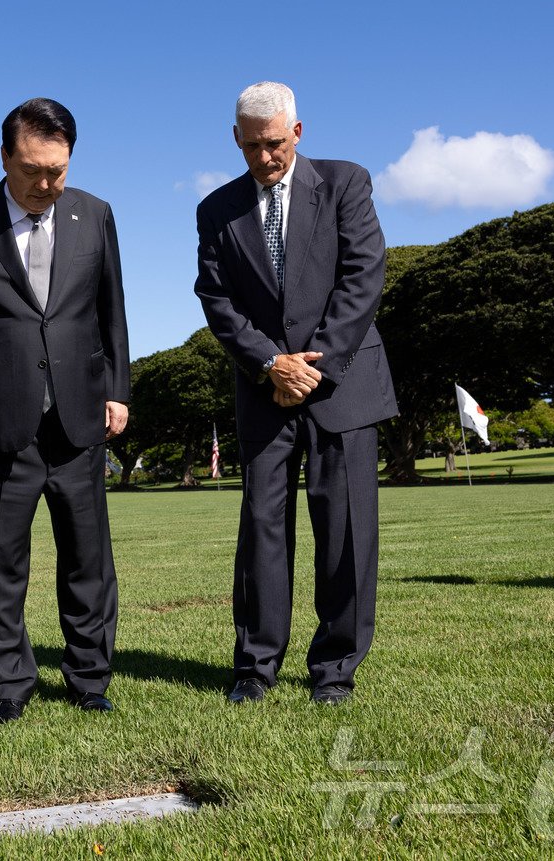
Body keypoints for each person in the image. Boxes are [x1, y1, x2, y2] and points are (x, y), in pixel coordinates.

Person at [194, 82, 398, 706]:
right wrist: (269, 364)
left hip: (344, 385)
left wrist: (316, 365)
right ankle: (255, 667)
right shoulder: (215, 208)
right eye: (253, 146)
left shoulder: (346, 182)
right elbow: (216, 298)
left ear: (298, 133)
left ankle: (335, 669)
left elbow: (365, 275)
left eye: (276, 144)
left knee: (345, 530)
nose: (265, 158)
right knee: (262, 532)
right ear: (236, 139)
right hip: (264, 391)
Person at [0, 98, 130, 723]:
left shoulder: (95, 214)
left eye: (58, 170)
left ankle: (89, 679)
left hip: (80, 417)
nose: (46, 183)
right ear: (3, 157)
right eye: (32, 170)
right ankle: (9, 687)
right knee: (1, 564)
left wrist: (118, 390)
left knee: (88, 560)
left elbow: (112, 312)